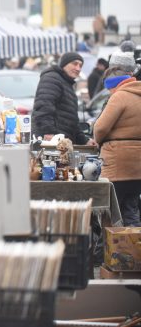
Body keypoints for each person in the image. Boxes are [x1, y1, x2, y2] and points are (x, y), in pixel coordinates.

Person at [93, 70, 141, 226]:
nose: (109, 92)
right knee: (131, 209)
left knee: (111, 212)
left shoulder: (119, 96)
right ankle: (134, 240)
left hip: (117, 163)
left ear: (113, 85)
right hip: (138, 165)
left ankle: (113, 242)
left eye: (109, 89)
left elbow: (100, 128)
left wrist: (97, 141)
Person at [32, 52, 95, 145]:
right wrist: (48, 132)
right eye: (74, 64)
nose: (78, 68)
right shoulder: (52, 78)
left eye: (80, 65)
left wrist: (85, 140)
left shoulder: (67, 83)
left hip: (62, 143)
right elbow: (44, 108)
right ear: (64, 64)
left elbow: (72, 121)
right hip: (51, 142)